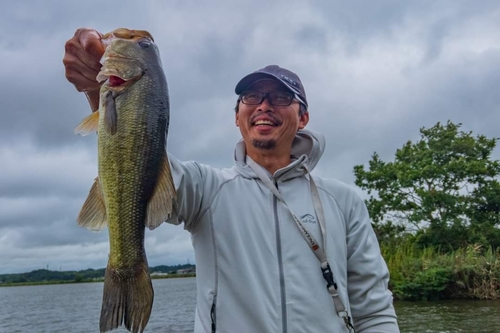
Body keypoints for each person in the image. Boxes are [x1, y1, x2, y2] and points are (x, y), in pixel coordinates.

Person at [63, 28, 400, 333]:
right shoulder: (208, 189)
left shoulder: (344, 201)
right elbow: (139, 163)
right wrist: (100, 95)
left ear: (303, 117)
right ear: (237, 116)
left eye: (281, 98)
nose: (264, 105)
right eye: (252, 97)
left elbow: (374, 309)